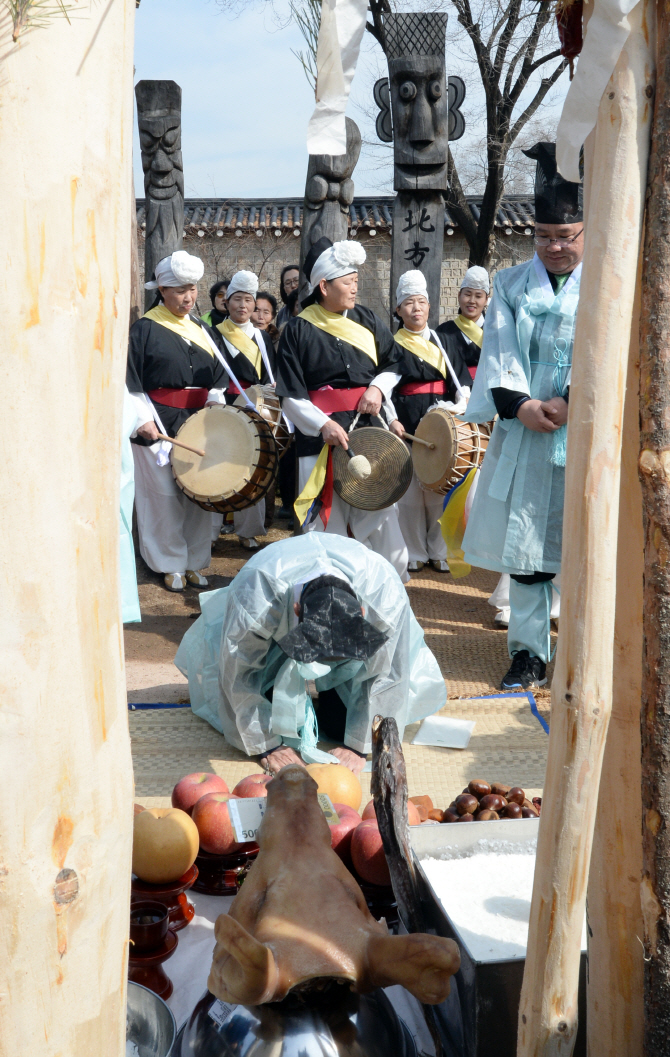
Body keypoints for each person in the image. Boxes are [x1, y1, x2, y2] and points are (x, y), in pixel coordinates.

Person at [461, 141, 583, 690]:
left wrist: (576, 397)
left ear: (584, 231)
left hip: (588, 434)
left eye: (565, 236)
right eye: (544, 236)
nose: (554, 246)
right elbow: (499, 352)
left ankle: (588, 654)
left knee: (589, 546)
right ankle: (529, 654)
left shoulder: (609, 278)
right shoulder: (509, 284)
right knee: (529, 551)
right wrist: (522, 403)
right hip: (528, 429)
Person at [175, 534, 446, 775]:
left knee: (340, 726)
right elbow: (238, 673)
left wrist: (359, 746)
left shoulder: (384, 597)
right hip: (274, 645)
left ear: (362, 615)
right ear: (295, 610)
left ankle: (337, 689)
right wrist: (266, 747)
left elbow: (389, 676)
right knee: (277, 726)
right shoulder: (257, 596)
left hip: (354, 654)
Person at [275, 237, 409, 581]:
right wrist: (322, 425)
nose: (354, 288)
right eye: (348, 282)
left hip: (369, 431)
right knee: (325, 519)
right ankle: (328, 589)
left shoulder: (367, 318)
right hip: (320, 438)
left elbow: (394, 363)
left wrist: (378, 388)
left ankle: (384, 583)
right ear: (324, 285)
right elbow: (291, 395)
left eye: (356, 281)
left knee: (381, 507)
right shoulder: (297, 330)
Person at [126, 251, 227, 592]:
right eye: (180, 289)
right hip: (157, 420)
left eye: (193, 289)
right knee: (163, 496)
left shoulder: (202, 329)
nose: (188, 297)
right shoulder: (144, 329)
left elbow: (218, 381)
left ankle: (196, 560)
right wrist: (141, 419)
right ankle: (169, 563)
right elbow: (129, 381)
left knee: (200, 492)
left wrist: (215, 403)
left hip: (197, 422)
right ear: (162, 290)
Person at [387, 271, 472, 573]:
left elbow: (461, 382)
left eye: (421, 302)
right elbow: (384, 388)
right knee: (410, 493)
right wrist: (392, 420)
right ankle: (413, 550)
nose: (416, 309)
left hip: (441, 427)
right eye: (409, 303)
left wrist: (461, 406)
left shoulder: (445, 341)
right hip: (408, 426)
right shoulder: (391, 344)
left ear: (430, 307)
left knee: (439, 489)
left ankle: (439, 549)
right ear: (398, 310)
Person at [212, 270, 277, 550]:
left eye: (248, 301)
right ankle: (212, 529)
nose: (243, 306)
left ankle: (249, 529)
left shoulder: (262, 339)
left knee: (252, 468)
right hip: (225, 404)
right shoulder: (213, 335)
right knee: (218, 467)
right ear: (226, 302)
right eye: (236, 299)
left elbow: (270, 376)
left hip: (256, 408)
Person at [436, 266, 490, 381]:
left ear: (486, 299)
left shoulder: (495, 330)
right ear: (459, 295)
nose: (472, 301)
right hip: (454, 393)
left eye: (478, 296)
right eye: (468, 294)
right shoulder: (443, 332)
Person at [276, 264, 300, 328]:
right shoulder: (282, 314)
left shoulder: (315, 307)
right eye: (288, 283)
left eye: (296, 280)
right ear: (284, 289)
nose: (293, 285)